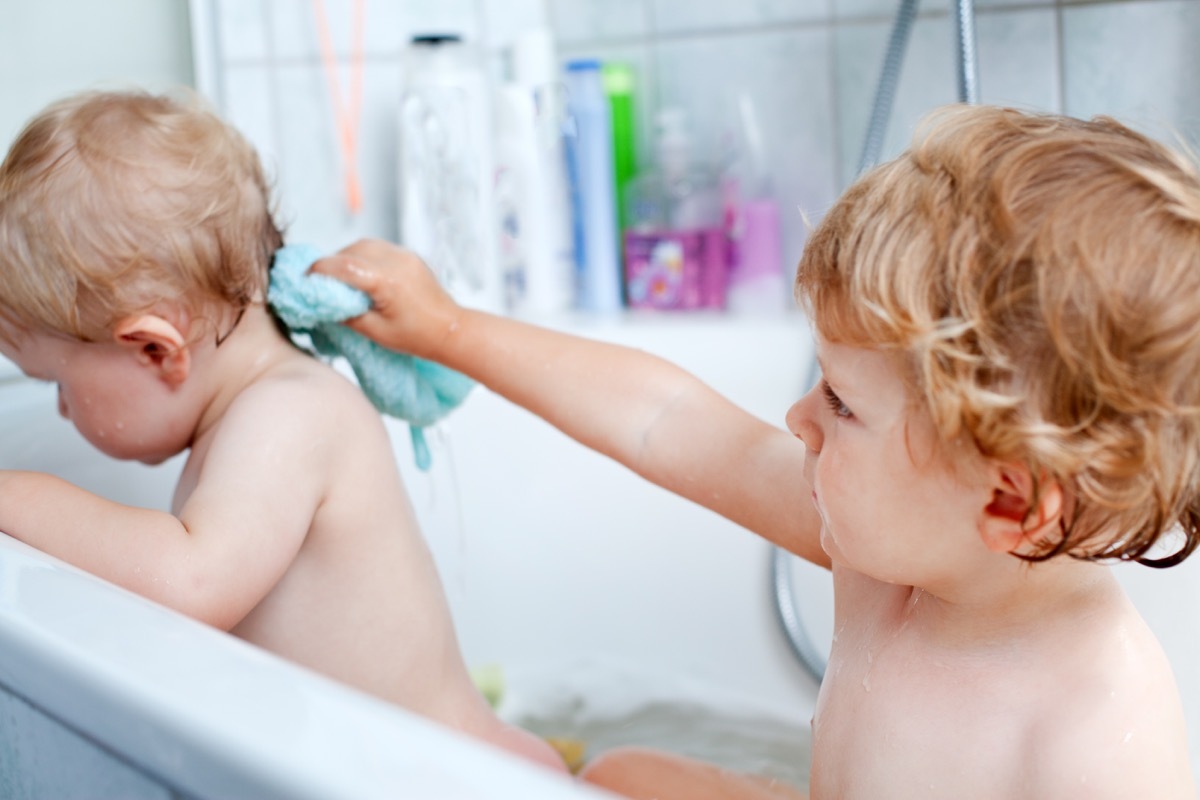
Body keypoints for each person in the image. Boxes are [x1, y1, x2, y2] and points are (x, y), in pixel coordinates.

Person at [311, 104, 1200, 798]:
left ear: (1008, 503)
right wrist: (447, 328)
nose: (798, 417)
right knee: (613, 778)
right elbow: (665, 421)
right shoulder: (892, 553)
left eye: (843, 404)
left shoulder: (1095, 735)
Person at [0, 90, 563, 772]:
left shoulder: (288, 415)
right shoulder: (250, 412)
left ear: (155, 350)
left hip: (459, 781)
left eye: (58, 381)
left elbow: (191, 579)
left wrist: (14, 496)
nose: (60, 409)